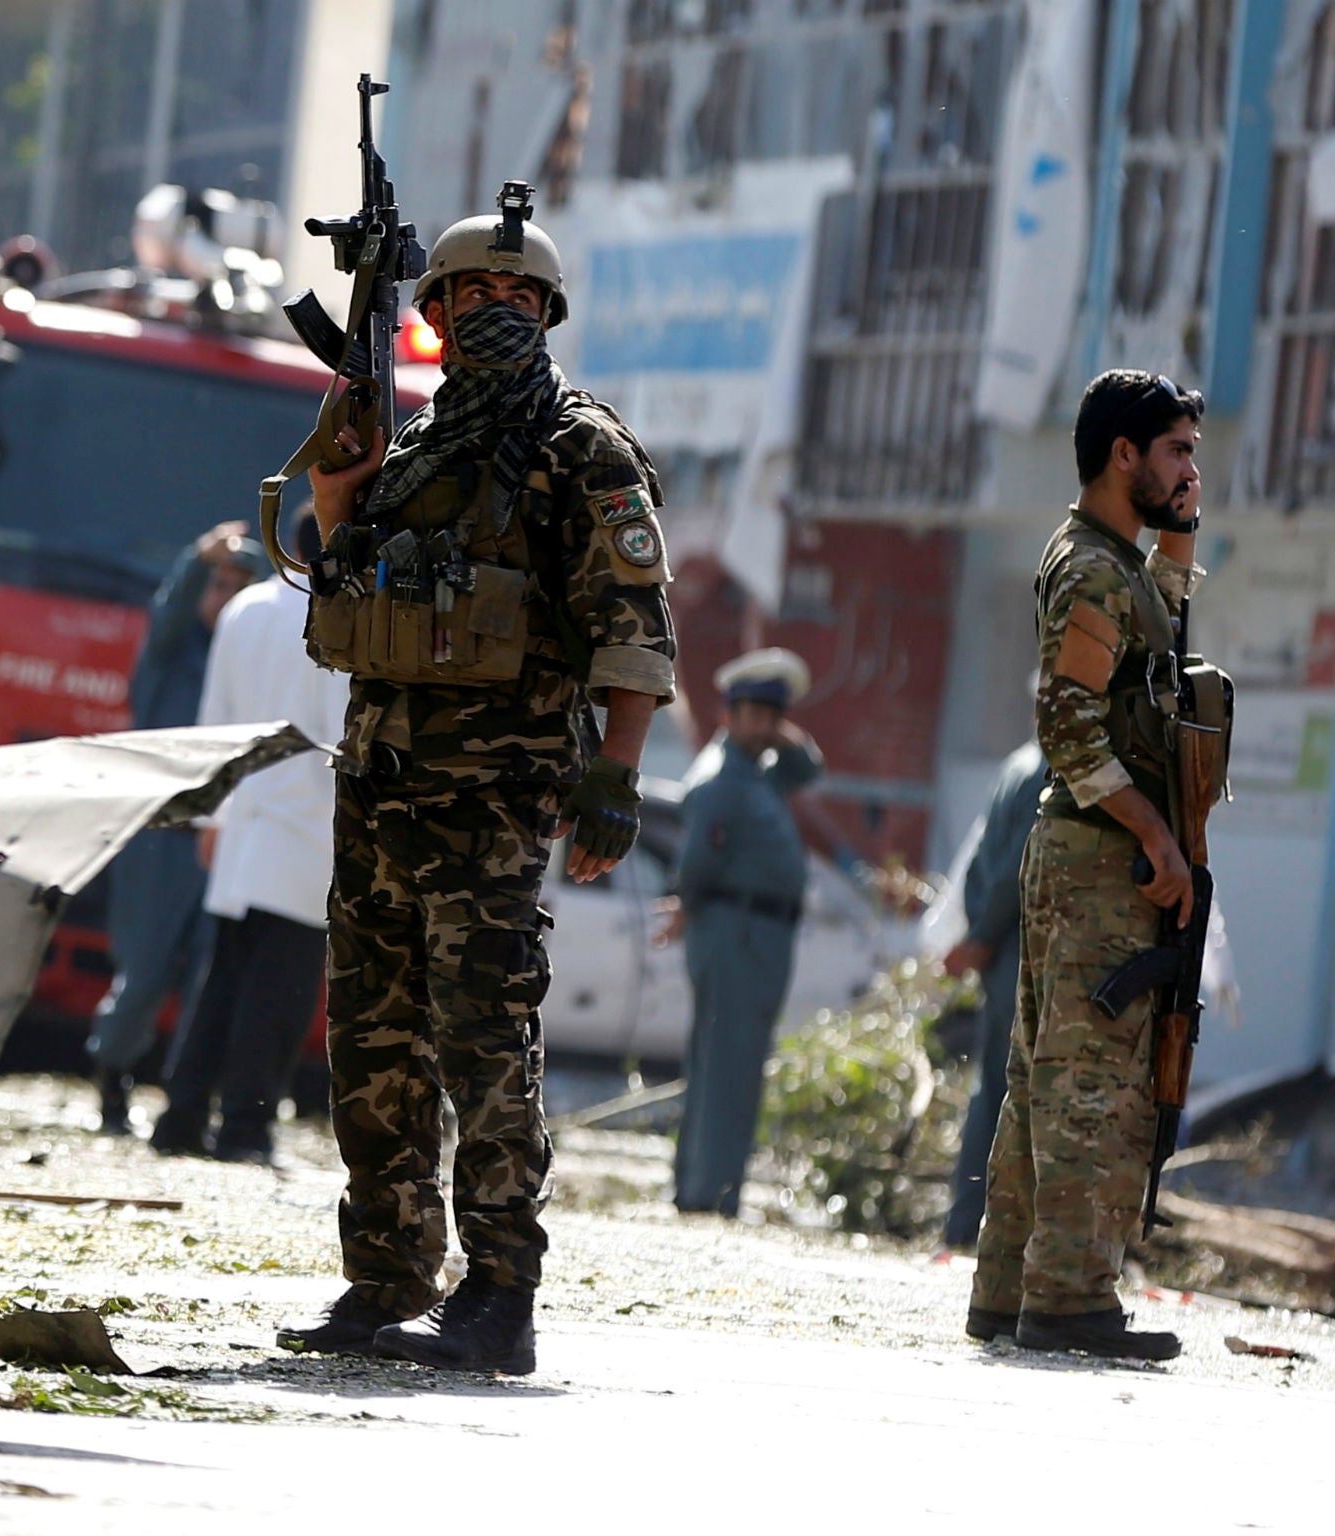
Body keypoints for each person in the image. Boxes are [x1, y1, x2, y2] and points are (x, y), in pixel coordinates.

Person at [276, 192, 677, 1374]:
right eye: (477, 296)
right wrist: (340, 479)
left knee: (484, 1041)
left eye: (521, 298)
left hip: (493, 803)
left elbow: (635, 623)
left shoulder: (579, 449)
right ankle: (385, 1275)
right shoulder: (406, 447)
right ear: (434, 313)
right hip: (383, 786)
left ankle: (499, 1293)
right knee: (373, 1039)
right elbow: (338, 577)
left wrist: (617, 773)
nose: (499, 311)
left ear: (548, 316)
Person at [968, 369, 1208, 1363]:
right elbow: (1066, 721)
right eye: (1176, 451)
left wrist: (1180, 539)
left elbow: (1140, 641)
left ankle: (1005, 1290)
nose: (1191, 468)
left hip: (1086, 852)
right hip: (1099, 854)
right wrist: (1155, 836)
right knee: (1087, 1079)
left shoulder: (1111, 563)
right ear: (1124, 455)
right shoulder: (1090, 570)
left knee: (1042, 1074)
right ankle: (1067, 1298)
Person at [152, 513, 348, 1164]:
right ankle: (245, 1130)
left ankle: (181, 1118)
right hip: (309, 831)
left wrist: (211, 817)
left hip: (242, 823)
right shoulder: (345, 616)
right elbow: (345, 735)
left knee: (221, 983)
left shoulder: (244, 607)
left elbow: (216, 718)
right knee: (279, 996)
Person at [94, 522, 268, 1135]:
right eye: (217, 584)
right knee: (142, 973)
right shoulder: (172, 652)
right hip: (163, 836)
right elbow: (169, 611)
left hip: (225, 837)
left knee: (209, 981)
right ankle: (113, 1085)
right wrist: (196, 560)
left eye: (238, 586)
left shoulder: (252, 658)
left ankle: (184, 1104)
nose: (224, 596)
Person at [668, 649, 824, 1218]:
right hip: (734, 928)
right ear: (729, 714)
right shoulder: (721, 780)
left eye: (771, 714)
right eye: (753, 713)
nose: (763, 725)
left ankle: (710, 1188)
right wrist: (687, 906)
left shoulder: (758, 773)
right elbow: (697, 865)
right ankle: (710, 1195)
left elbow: (809, 770)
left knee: (734, 1063)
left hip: (758, 934)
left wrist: (784, 738)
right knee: (726, 1065)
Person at [940, 731, 1047, 1250]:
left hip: (1001, 945)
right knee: (1011, 1093)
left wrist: (978, 933)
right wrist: (982, 937)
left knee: (994, 1088)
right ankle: (981, 1226)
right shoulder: (1050, 769)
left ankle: (969, 1221)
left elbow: (981, 864)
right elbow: (1014, 870)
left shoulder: (1019, 762)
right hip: (1018, 946)